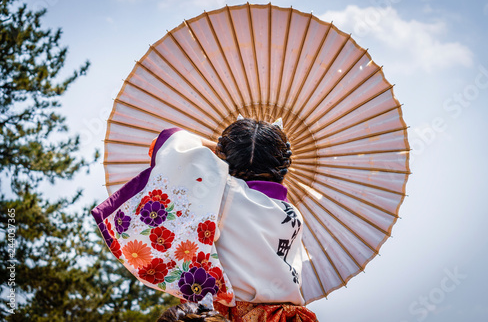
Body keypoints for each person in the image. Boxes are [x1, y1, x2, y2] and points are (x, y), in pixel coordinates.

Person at [91, 118, 318, 321]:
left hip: (227, 314)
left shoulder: (221, 190)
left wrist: (216, 149)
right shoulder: (292, 214)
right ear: (283, 165)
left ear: (225, 158)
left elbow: (169, 139)